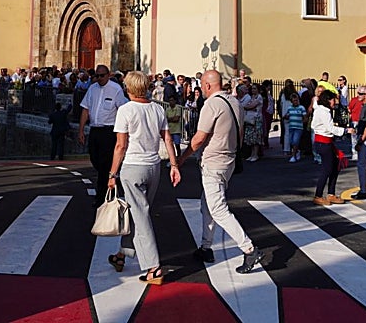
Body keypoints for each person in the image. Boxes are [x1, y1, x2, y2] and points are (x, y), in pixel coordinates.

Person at [178, 69, 264, 274]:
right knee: (207, 204)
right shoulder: (235, 102)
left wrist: (182, 158)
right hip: (229, 160)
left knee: (218, 209)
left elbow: (199, 138)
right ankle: (206, 247)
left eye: (202, 85)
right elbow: (240, 133)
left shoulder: (212, 104)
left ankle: (249, 248)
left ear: (207, 85)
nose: (202, 89)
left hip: (214, 161)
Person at [105, 71, 181, 284]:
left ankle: (153, 268)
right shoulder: (157, 108)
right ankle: (122, 254)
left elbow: (120, 146)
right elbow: (167, 139)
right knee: (138, 212)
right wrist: (174, 165)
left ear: (128, 88)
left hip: (133, 166)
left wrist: (112, 173)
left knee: (140, 216)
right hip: (153, 166)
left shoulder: (125, 110)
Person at [78, 63, 128, 207]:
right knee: (95, 159)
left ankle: (101, 196)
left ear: (108, 75)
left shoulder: (116, 89)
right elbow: (85, 109)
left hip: (108, 131)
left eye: (102, 76)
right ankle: (112, 178)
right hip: (95, 130)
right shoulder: (92, 89)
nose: (99, 78)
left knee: (104, 164)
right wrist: (81, 130)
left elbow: (122, 109)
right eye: (97, 76)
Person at [311, 89, 353, 205]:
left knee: (334, 167)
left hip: (325, 142)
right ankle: (318, 195)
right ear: (328, 100)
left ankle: (331, 194)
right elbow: (330, 128)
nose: (335, 102)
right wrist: (346, 130)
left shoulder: (321, 109)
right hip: (324, 143)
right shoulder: (324, 112)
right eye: (333, 99)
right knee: (327, 169)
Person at [351, 85, 366, 199]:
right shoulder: (365, 106)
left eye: (360, 93)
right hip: (365, 138)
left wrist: (361, 141)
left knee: (362, 164)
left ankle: (364, 190)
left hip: (365, 139)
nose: (358, 95)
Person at [240, 83, 265, 162]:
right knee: (250, 137)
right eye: (252, 88)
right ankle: (252, 154)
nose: (253, 90)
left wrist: (248, 107)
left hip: (257, 119)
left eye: (255, 88)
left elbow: (250, 106)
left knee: (256, 137)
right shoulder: (251, 97)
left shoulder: (259, 97)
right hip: (250, 118)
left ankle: (255, 154)